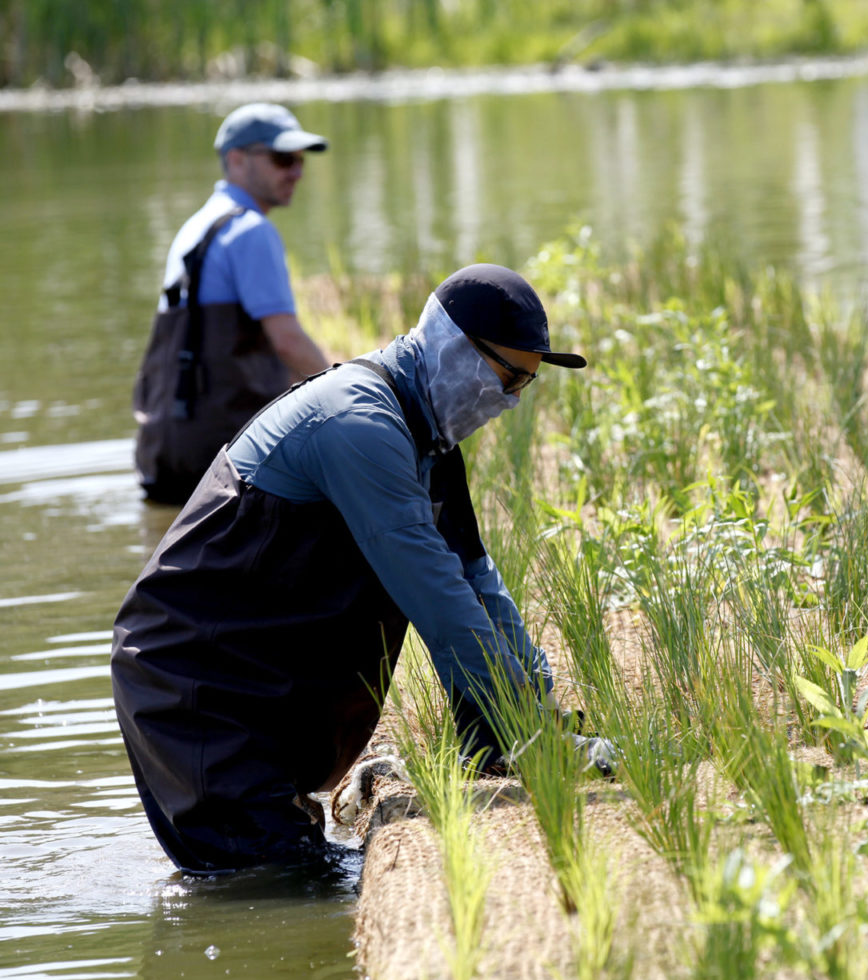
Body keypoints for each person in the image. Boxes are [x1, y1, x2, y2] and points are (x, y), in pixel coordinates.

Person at [111, 264, 608, 874]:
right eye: (507, 377)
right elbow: (437, 599)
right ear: (454, 346)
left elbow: (476, 579)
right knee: (269, 891)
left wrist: (538, 700)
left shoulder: (423, 434)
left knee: (303, 873)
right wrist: (524, 731)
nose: (508, 401)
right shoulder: (358, 426)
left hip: (259, 683)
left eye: (524, 387)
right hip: (199, 690)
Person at [132, 102, 332, 503]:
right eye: (282, 158)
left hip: (169, 450)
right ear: (237, 160)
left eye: (299, 160)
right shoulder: (250, 230)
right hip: (227, 461)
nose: (296, 171)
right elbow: (287, 342)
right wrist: (348, 392)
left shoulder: (196, 227)